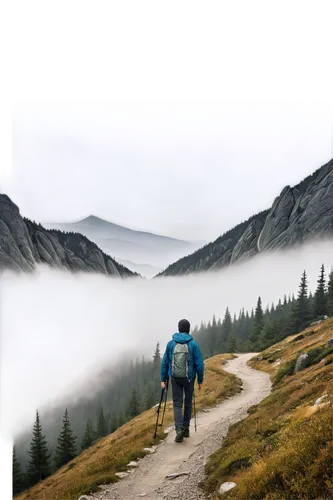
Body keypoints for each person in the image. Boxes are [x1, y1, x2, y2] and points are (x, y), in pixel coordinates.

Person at [161, 319, 204, 443]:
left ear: (178, 328)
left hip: (175, 378)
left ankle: (178, 429)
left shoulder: (170, 344)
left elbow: (165, 362)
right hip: (189, 379)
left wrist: (164, 378)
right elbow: (199, 364)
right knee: (188, 402)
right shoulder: (193, 345)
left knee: (177, 404)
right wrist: (200, 380)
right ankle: (186, 429)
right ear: (188, 329)